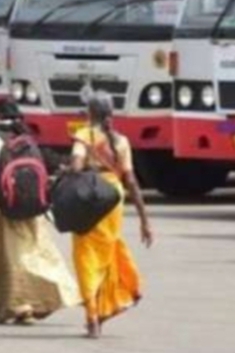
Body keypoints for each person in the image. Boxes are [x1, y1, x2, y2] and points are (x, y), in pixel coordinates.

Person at [0, 100, 79, 324]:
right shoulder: (27, 139)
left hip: (1, 205)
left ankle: (16, 305)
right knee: (37, 251)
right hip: (32, 205)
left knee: (6, 256)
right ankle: (47, 298)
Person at [70, 91, 153, 339]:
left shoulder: (84, 136)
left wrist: (69, 169)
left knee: (85, 257)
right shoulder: (121, 141)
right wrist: (144, 220)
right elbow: (131, 182)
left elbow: (76, 167)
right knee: (108, 250)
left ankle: (92, 317)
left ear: (90, 113)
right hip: (113, 198)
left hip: (90, 197)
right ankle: (113, 300)